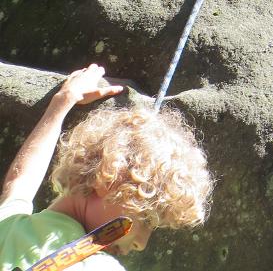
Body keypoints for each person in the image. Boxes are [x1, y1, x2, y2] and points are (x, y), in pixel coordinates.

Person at [1, 64, 212, 270]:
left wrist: (62, 102)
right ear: (110, 180)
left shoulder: (9, 225)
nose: (141, 243)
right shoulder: (99, 266)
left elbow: (20, 181)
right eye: (146, 220)